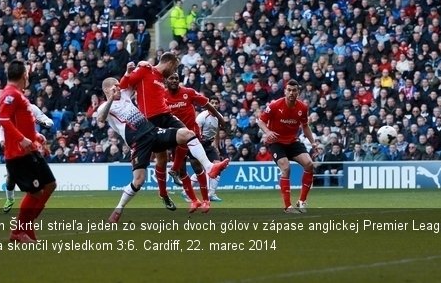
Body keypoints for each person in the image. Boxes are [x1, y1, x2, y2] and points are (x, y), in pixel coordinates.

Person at [98, 74, 229, 221]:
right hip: (138, 142)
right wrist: (110, 99)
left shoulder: (125, 94)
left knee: (187, 134)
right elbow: (101, 119)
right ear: (106, 91)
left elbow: (135, 82)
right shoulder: (105, 107)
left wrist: (130, 72)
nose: (118, 89)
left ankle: (210, 167)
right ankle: (118, 209)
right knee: (139, 181)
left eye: (118, 86)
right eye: (114, 87)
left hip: (153, 132)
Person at [0, 60, 57, 243]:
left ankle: (25, 228)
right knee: (36, 192)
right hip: (19, 153)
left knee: (50, 185)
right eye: (28, 73)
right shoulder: (10, 94)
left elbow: (18, 122)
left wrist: (36, 136)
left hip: (31, 150)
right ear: (24, 75)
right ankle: (18, 232)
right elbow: (3, 119)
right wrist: (22, 139)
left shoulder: (18, 94)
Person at [164, 74, 227, 204]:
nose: (175, 80)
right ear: (166, 81)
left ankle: (206, 199)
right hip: (175, 137)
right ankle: (192, 198)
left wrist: (220, 118)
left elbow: (207, 104)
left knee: (197, 167)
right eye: (171, 78)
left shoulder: (188, 92)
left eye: (176, 78)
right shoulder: (162, 96)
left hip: (192, 137)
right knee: (183, 171)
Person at [256, 79, 316, 213]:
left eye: (294, 90)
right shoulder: (275, 105)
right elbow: (260, 121)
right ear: (285, 91)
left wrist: (313, 142)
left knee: (309, 164)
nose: (291, 93)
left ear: (298, 92)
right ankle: (288, 206)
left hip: (292, 142)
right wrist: (268, 132)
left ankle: (302, 201)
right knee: (286, 168)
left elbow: (305, 126)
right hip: (276, 142)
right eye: (289, 90)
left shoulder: (302, 108)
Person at [2, 103, 54, 213]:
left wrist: (39, 124)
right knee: (11, 177)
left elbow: (49, 122)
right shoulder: (9, 107)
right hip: (14, 145)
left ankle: (34, 205)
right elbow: (3, 126)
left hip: (30, 145)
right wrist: (2, 139)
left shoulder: (32, 108)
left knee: (40, 178)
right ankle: (10, 199)